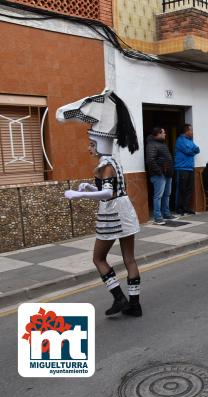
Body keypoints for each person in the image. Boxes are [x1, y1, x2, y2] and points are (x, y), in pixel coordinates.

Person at [58, 90, 142, 317]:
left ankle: (119, 298)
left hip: (112, 211)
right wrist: (90, 188)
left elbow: (107, 194)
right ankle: (134, 304)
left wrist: (80, 194)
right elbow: (112, 190)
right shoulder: (112, 161)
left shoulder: (105, 164)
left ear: (97, 143)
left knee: (98, 258)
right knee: (129, 259)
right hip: (124, 209)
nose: (88, 147)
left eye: (90, 143)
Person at [145, 127, 177, 225]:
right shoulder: (151, 144)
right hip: (159, 175)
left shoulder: (162, 143)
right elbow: (150, 160)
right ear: (158, 134)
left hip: (167, 173)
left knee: (167, 194)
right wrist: (159, 171)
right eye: (163, 133)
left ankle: (166, 214)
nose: (165, 134)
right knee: (158, 196)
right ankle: (157, 218)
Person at [174, 123, 200, 215]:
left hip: (190, 168)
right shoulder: (180, 140)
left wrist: (193, 151)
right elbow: (188, 151)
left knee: (189, 189)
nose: (192, 132)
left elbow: (198, 149)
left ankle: (186, 207)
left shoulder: (190, 141)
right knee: (181, 189)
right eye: (191, 130)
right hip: (181, 168)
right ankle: (179, 208)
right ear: (186, 131)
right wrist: (193, 151)